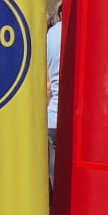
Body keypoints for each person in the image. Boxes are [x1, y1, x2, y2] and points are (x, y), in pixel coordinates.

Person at [46, 17, 62, 188]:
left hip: (53, 117)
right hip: (78, 120)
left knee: (54, 169)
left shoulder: (51, 34)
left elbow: (48, 86)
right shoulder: (84, 31)